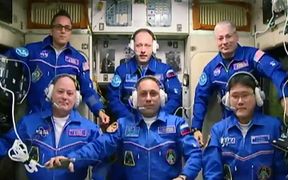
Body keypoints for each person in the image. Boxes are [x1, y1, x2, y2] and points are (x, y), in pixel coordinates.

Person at [46, 76, 202, 180]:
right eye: (143, 94)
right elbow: (98, 147)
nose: (148, 98)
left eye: (153, 94)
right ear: (134, 99)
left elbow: (194, 153)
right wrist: (72, 159)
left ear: (161, 98)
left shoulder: (176, 124)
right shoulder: (122, 125)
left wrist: (184, 176)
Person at [192, 20, 288, 146]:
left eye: (228, 36)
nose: (224, 42)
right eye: (220, 38)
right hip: (229, 127)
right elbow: (200, 97)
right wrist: (196, 128)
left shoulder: (251, 56)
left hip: (256, 124)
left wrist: (284, 97)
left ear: (236, 36)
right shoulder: (211, 68)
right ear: (216, 41)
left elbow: (275, 71)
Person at [4, 9, 109, 124]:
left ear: (70, 32)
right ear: (51, 30)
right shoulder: (32, 51)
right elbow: (7, 58)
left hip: (65, 121)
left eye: (67, 28)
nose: (63, 31)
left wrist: (99, 110)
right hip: (35, 118)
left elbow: (87, 90)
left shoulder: (79, 60)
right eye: (59, 27)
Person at [0, 74, 105, 179]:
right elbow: (6, 142)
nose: (64, 97)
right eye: (60, 91)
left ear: (76, 98)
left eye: (70, 93)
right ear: (50, 94)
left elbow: (103, 159)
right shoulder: (29, 123)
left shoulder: (90, 130)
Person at [202, 71, 288, 179]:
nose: (240, 101)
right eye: (235, 96)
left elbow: (282, 173)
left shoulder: (273, 127)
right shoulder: (218, 130)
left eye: (245, 95)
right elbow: (212, 173)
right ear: (228, 100)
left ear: (258, 96)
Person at [107, 28, 182, 119]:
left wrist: (161, 116)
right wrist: (128, 119)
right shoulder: (122, 71)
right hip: (130, 123)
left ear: (154, 47)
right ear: (132, 46)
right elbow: (113, 99)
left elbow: (175, 97)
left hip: (159, 123)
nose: (143, 50)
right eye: (139, 45)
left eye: (147, 45)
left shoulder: (165, 70)